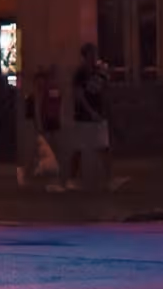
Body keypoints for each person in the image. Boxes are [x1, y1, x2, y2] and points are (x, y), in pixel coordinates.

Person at [69, 43, 112, 192]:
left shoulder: (100, 71)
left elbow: (104, 90)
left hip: (99, 116)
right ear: (85, 56)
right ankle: (72, 179)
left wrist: (103, 111)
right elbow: (79, 95)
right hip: (83, 117)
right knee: (78, 148)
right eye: (91, 54)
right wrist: (90, 112)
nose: (94, 57)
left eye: (95, 54)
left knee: (104, 147)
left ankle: (109, 179)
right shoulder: (80, 73)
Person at [19, 64, 64, 190]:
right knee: (38, 150)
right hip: (44, 125)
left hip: (50, 124)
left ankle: (31, 174)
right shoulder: (36, 96)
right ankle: (26, 173)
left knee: (51, 149)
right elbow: (37, 112)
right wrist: (38, 126)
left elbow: (55, 108)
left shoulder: (50, 91)